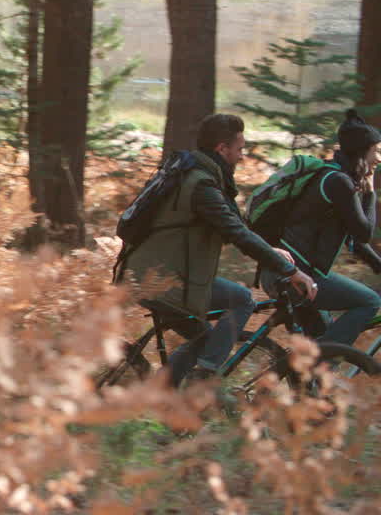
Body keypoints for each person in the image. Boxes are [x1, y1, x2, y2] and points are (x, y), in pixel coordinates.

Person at [123, 113, 299, 385]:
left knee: (205, 336)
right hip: (162, 280)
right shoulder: (200, 184)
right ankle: (203, 378)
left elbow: (234, 227)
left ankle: (164, 392)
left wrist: (271, 251)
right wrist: (288, 270)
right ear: (221, 148)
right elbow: (235, 233)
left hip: (150, 273)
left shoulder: (192, 174)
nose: (242, 156)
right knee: (241, 299)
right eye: (240, 149)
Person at [257, 109, 381, 347]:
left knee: (320, 334)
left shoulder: (334, 177)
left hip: (289, 272)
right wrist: (370, 191)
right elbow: (364, 232)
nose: (379, 158)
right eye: (376, 151)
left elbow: (355, 242)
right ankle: (322, 365)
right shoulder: (337, 182)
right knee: (369, 302)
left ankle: (309, 377)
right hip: (294, 276)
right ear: (361, 151)